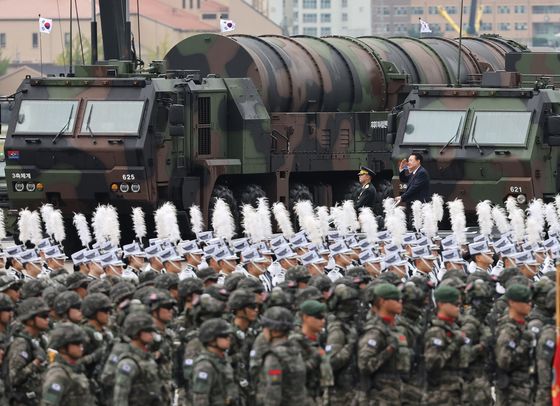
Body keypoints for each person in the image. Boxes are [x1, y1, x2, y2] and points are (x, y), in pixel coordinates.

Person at [40, 323, 96, 406]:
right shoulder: (58, 375)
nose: (81, 347)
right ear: (62, 348)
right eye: (76, 343)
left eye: (81, 343)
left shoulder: (75, 369)